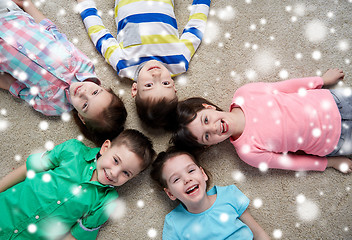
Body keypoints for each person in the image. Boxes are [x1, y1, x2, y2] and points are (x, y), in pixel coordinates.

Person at [0, 0, 127, 146]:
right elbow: (53, 32)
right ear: (105, 89)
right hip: (10, 16)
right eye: (95, 93)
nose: (83, 93)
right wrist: (27, 5)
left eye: (85, 105)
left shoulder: (53, 106)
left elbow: (13, 86)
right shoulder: (84, 65)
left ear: (82, 118)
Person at [172, 68, 352, 173]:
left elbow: (288, 87)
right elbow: (291, 163)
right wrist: (329, 163)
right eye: (206, 136)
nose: (214, 128)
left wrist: (321, 80)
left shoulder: (245, 94)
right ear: (209, 145)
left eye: (205, 120)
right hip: (335, 141)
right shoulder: (248, 153)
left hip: (332, 101)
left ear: (208, 107)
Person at [0, 129, 155, 240]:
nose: (114, 173)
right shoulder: (73, 150)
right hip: (0, 212)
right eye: (115, 161)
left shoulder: (107, 201)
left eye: (126, 173)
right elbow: (27, 169)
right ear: (106, 147)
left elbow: (76, 236)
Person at [76, 0, 211, 130]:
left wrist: (85, 5)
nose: (156, 75)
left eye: (149, 85)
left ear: (135, 89)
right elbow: (196, 27)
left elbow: (100, 36)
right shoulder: (179, 61)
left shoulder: (124, 65)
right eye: (165, 83)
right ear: (173, 85)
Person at [150, 147, 270, 239]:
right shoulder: (174, 222)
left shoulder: (229, 195)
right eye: (176, 179)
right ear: (170, 193)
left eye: (191, 170)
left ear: (203, 174)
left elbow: (259, 234)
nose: (187, 179)